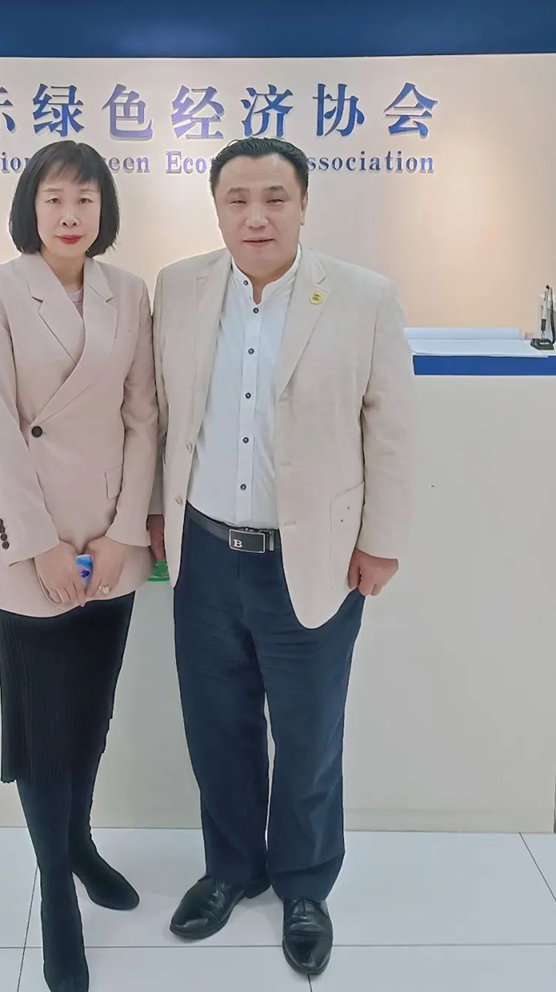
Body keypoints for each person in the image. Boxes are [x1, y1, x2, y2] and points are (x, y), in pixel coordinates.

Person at [148, 136, 415, 977]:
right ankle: (232, 870)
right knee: (217, 728)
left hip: (316, 558)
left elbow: (392, 428)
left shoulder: (363, 297)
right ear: (216, 207)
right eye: (237, 199)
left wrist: (381, 542)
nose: (255, 216)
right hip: (203, 552)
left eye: (274, 198)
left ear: (303, 205)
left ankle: (304, 884)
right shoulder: (179, 287)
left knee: (308, 736)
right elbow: (159, 413)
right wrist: (155, 515)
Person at [0, 139, 157, 992]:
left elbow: (144, 417)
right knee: (44, 731)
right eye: (54, 199)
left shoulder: (129, 293)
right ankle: (56, 893)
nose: (71, 215)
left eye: (85, 199)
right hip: (28, 540)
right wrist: (38, 543)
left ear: (104, 210)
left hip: (108, 540)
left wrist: (122, 533)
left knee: (92, 714)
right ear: (30, 209)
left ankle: (78, 843)